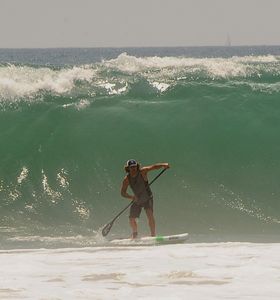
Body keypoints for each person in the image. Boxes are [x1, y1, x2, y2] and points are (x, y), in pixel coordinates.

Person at [121, 159, 170, 239]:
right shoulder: (127, 179)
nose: (134, 168)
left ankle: (153, 235)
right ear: (128, 168)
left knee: (150, 215)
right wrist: (132, 197)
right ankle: (135, 234)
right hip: (138, 199)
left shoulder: (142, 172)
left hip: (147, 197)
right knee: (131, 219)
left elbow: (154, 167)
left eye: (135, 167)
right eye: (131, 167)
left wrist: (163, 165)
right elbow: (123, 193)